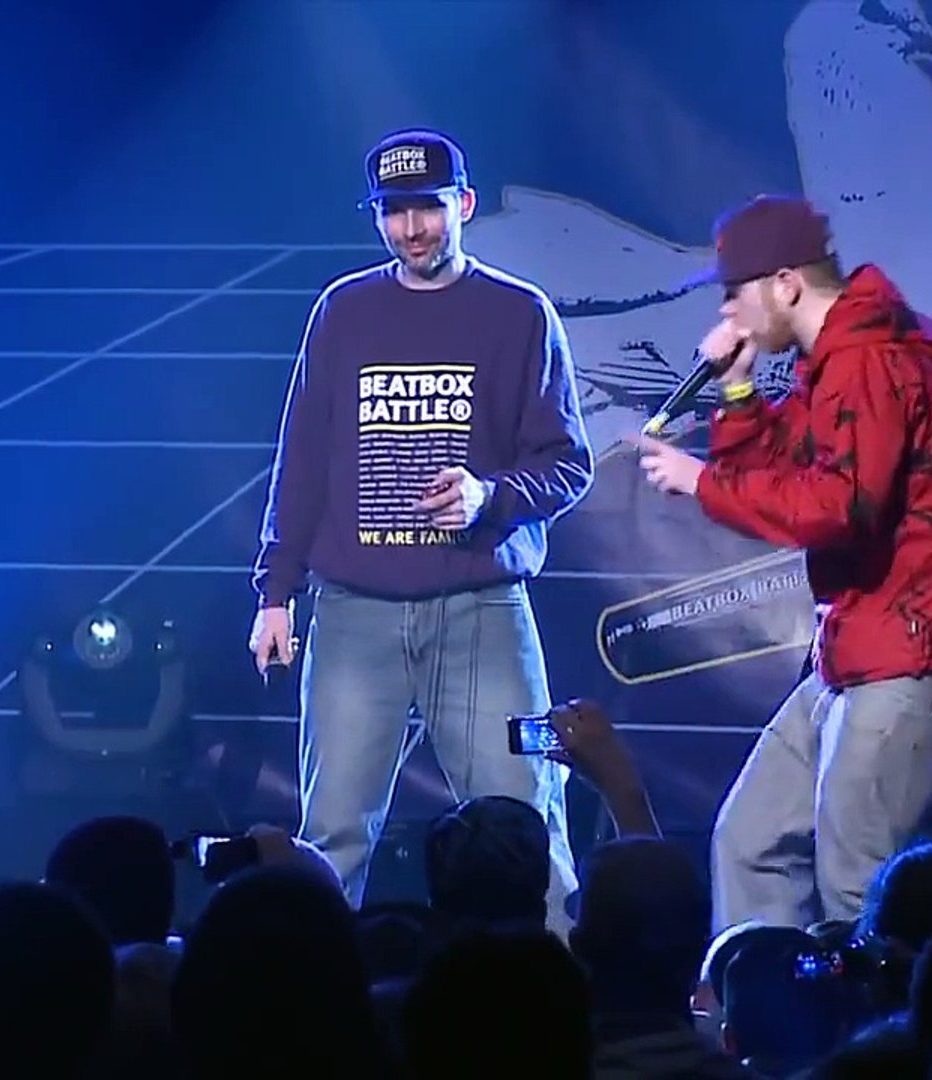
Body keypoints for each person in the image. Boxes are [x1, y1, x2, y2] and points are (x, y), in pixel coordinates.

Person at [628, 194, 932, 931]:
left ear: (785, 284)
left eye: (735, 294)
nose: (728, 314)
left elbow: (838, 507)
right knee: (752, 843)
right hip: (858, 647)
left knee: (857, 881)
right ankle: (761, 1000)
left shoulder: (868, 362)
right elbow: (787, 471)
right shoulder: (832, 364)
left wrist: (701, 482)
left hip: (909, 647)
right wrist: (737, 389)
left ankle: (883, 1006)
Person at [249, 129, 592, 920]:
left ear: (464, 205)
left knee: (527, 824)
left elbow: (569, 465)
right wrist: (275, 592)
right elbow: (301, 460)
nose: (411, 230)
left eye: (428, 209)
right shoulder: (343, 311)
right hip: (353, 614)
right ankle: (317, 990)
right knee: (331, 836)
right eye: (393, 212)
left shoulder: (520, 314)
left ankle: (558, 984)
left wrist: (489, 497)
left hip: (480, 609)